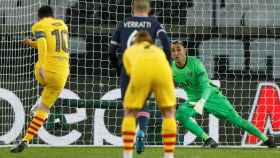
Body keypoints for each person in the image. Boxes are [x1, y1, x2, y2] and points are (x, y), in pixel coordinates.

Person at [171, 40, 276, 148]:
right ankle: (208, 140)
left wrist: (202, 102)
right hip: (193, 100)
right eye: (173, 50)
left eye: (179, 49)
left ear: (185, 50)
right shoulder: (172, 68)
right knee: (180, 114)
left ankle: (266, 139)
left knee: (237, 121)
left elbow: (206, 86)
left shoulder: (195, 64)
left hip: (212, 97)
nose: (176, 53)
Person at [109, 0, 171, 153]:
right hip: (149, 65)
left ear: (132, 8)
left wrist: (118, 67)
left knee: (129, 109)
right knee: (150, 104)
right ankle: (142, 130)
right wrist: (167, 63)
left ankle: (128, 152)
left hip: (128, 66)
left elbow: (111, 50)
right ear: (149, 9)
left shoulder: (123, 23)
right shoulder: (153, 23)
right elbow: (166, 43)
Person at [11, 5, 70, 153]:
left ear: (39, 16)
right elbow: (53, 44)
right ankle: (26, 140)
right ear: (52, 15)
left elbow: (43, 44)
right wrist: (32, 43)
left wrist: (42, 65)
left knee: (39, 105)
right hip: (63, 74)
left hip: (46, 70)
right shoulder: (63, 24)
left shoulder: (39, 25)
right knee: (43, 108)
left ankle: (40, 112)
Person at [122, 31, 176, 158]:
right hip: (163, 72)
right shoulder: (158, 50)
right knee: (168, 113)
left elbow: (129, 75)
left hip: (141, 73)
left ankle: (128, 155)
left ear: (135, 41)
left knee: (130, 112)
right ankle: (169, 155)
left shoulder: (130, 51)